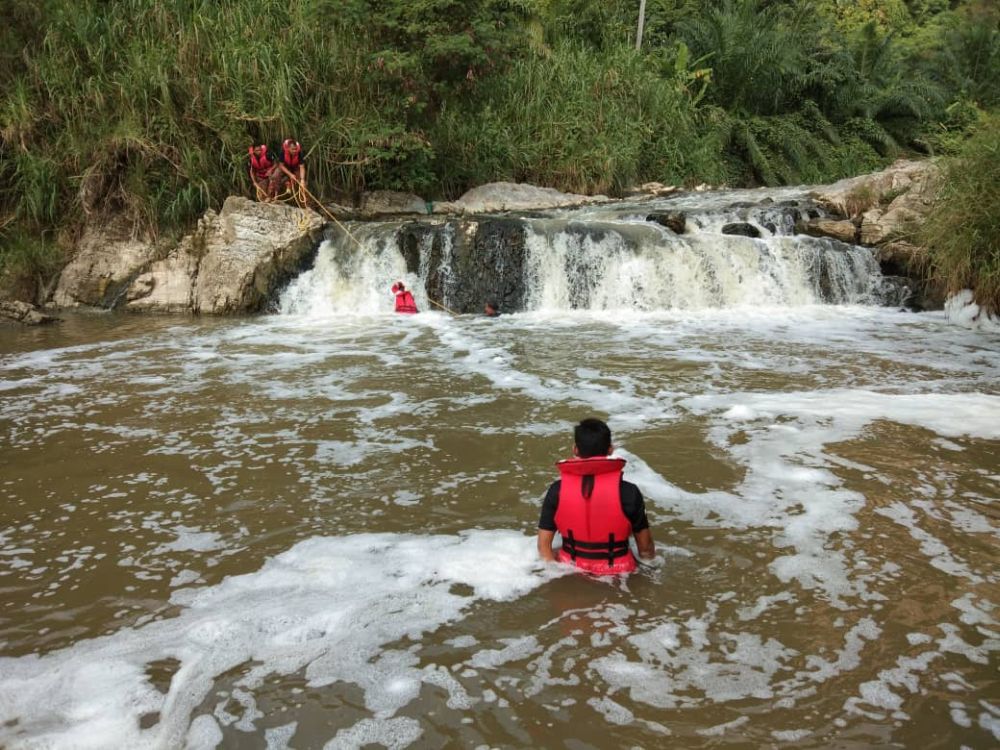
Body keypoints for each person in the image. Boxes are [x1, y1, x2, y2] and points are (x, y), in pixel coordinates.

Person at [537, 418, 654, 574]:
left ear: (575, 449)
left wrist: (555, 575)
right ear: (610, 449)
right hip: (619, 574)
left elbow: (543, 547)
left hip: (571, 569)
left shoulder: (556, 490)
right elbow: (646, 551)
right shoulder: (629, 492)